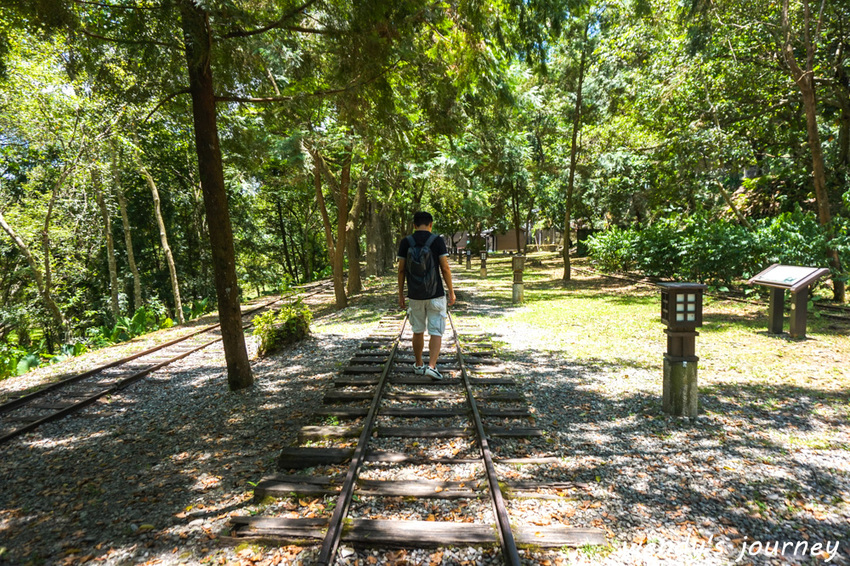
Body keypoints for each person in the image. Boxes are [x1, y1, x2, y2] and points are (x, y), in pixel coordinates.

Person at [397, 211, 456, 380]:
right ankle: (432, 366)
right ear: (431, 224)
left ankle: (418, 364)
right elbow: (445, 268)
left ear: (414, 225)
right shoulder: (437, 241)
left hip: (415, 295)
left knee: (418, 330)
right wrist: (451, 291)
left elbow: (401, 270)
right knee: (436, 330)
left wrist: (401, 294)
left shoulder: (406, 242)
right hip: (435, 294)